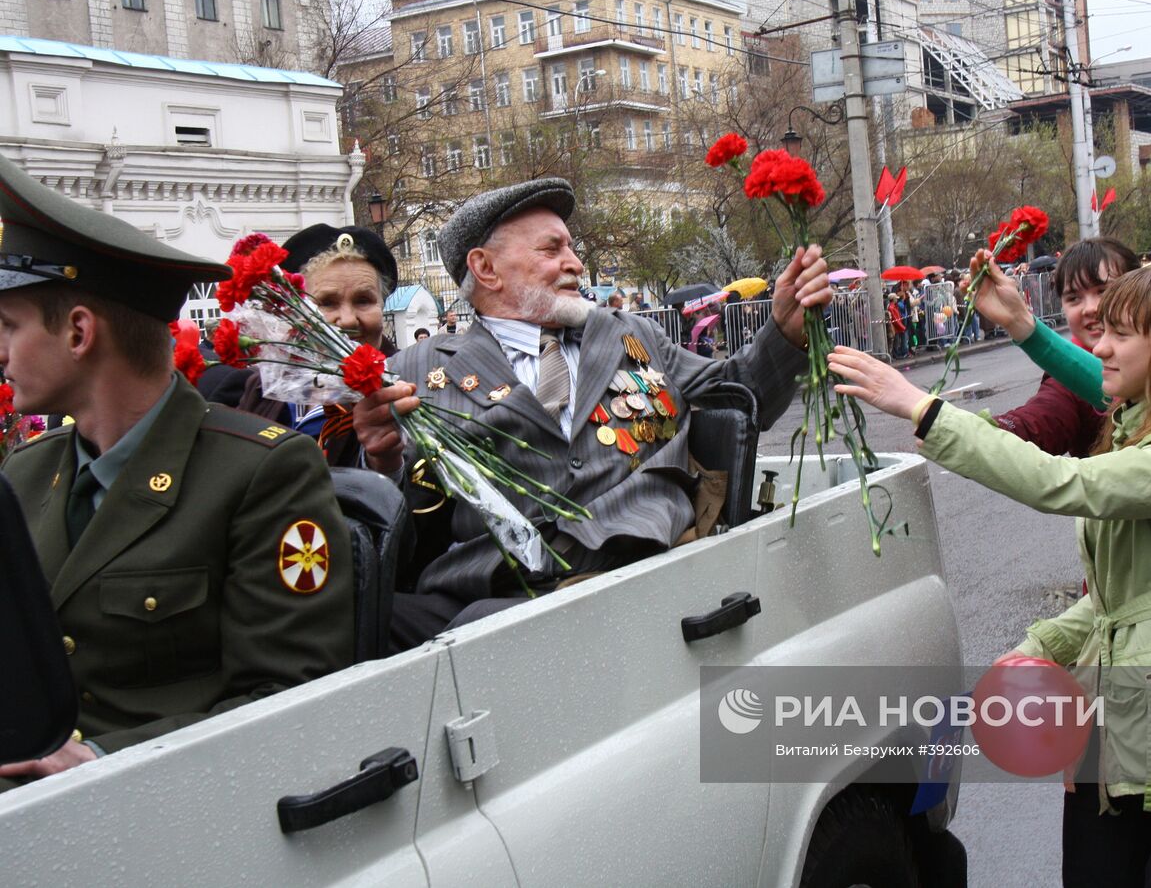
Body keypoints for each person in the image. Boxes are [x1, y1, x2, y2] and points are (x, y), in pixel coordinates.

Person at [830, 263, 1151, 887]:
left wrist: (922, 408)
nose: (1100, 347)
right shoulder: (1144, 430)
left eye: (1122, 334)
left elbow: (1058, 483)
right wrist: (1029, 653)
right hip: (1123, 718)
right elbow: (1123, 602)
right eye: (1101, 330)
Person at [352, 178, 833, 649]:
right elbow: (400, 533)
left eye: (572, 248)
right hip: (496, 590)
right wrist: (383, 463)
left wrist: (784, 331)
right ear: (485, 268)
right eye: (552, 249)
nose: (575, 264)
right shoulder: (417, 369)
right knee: (356, 623)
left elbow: (741, 396)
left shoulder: (633, 335)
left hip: (639, 568)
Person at [0, 153, 352, 785]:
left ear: (79, 333)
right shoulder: (26, 476)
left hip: (167, 808)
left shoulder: (260, 474)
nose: (0, 352)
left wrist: (100, 761)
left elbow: (290, 698)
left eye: (8, 326)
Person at [237, 224, 399, 467]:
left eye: (363, 300)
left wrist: (386, 464)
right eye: (327, 303)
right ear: (295, 311)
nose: (347, 319)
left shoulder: (406, 385)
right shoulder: (263, 388)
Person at [969, 238, 1141, 457]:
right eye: (1073, 298)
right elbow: (1038, 423)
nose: (1090, 308)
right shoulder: (1065, 379)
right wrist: (973, 434)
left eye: (1103, 291)